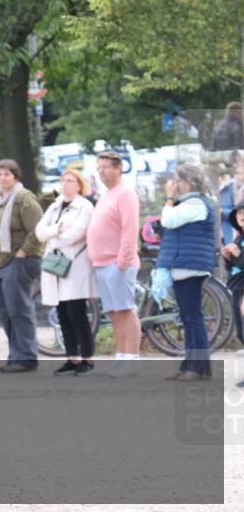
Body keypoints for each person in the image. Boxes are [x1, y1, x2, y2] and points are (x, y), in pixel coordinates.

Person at [0, 159, 44, 373]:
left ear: (16, 177)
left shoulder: (23, 198)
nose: (2, 178)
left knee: (19, 309)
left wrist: (23, 252)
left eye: (7, 174)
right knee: (4, 311)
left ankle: (27, 357)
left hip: (18, 261)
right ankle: (16, 353)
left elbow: (39, 229)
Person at [34, 170, 97, 375]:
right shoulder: (55, 205)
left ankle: (87, 359)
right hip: (55, 264)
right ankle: (72, 358)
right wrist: (57, 230)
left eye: (70, 181)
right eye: (62, 180)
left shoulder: (85, 206)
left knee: (77, 313)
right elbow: (40, 232)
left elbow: (75, 235)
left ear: (79, 185)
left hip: (74, 264)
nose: (65, 184)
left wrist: (55, 234)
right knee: (62, 314)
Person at [87, 151, 142, 378]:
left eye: (106, 167)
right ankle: (121, 356)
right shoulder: (106, 194)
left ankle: (133, 359)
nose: (102, 172)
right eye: (99, 168)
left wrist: (123, 260)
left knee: (126, 310)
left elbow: (130, 228)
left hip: (118, 263)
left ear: (118, 168)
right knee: (114, 313)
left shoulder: (125, 194)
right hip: (102, 262)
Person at [159, 164, 217, 380]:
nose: (174, 184)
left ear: (188, 182)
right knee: (189, 317)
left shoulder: (195, 203)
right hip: (184, 266)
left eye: (177, 180)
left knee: (193, 318)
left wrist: (168, 197)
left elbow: (169, 219)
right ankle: (189, 365)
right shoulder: (190, 203)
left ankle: (199, 368)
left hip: (190, 267)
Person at [222, 200, 244, 356]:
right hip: (237, 286)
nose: (242, 216)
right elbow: (233, 267)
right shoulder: (239, 238)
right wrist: (229, 258)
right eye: (240, 213)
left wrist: (238, 254)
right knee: (241, 332)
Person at [218, 155, 244, 245]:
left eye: (241, 165)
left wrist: (222, 212)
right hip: (229, 239)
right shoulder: (228, 187)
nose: (238, 169)